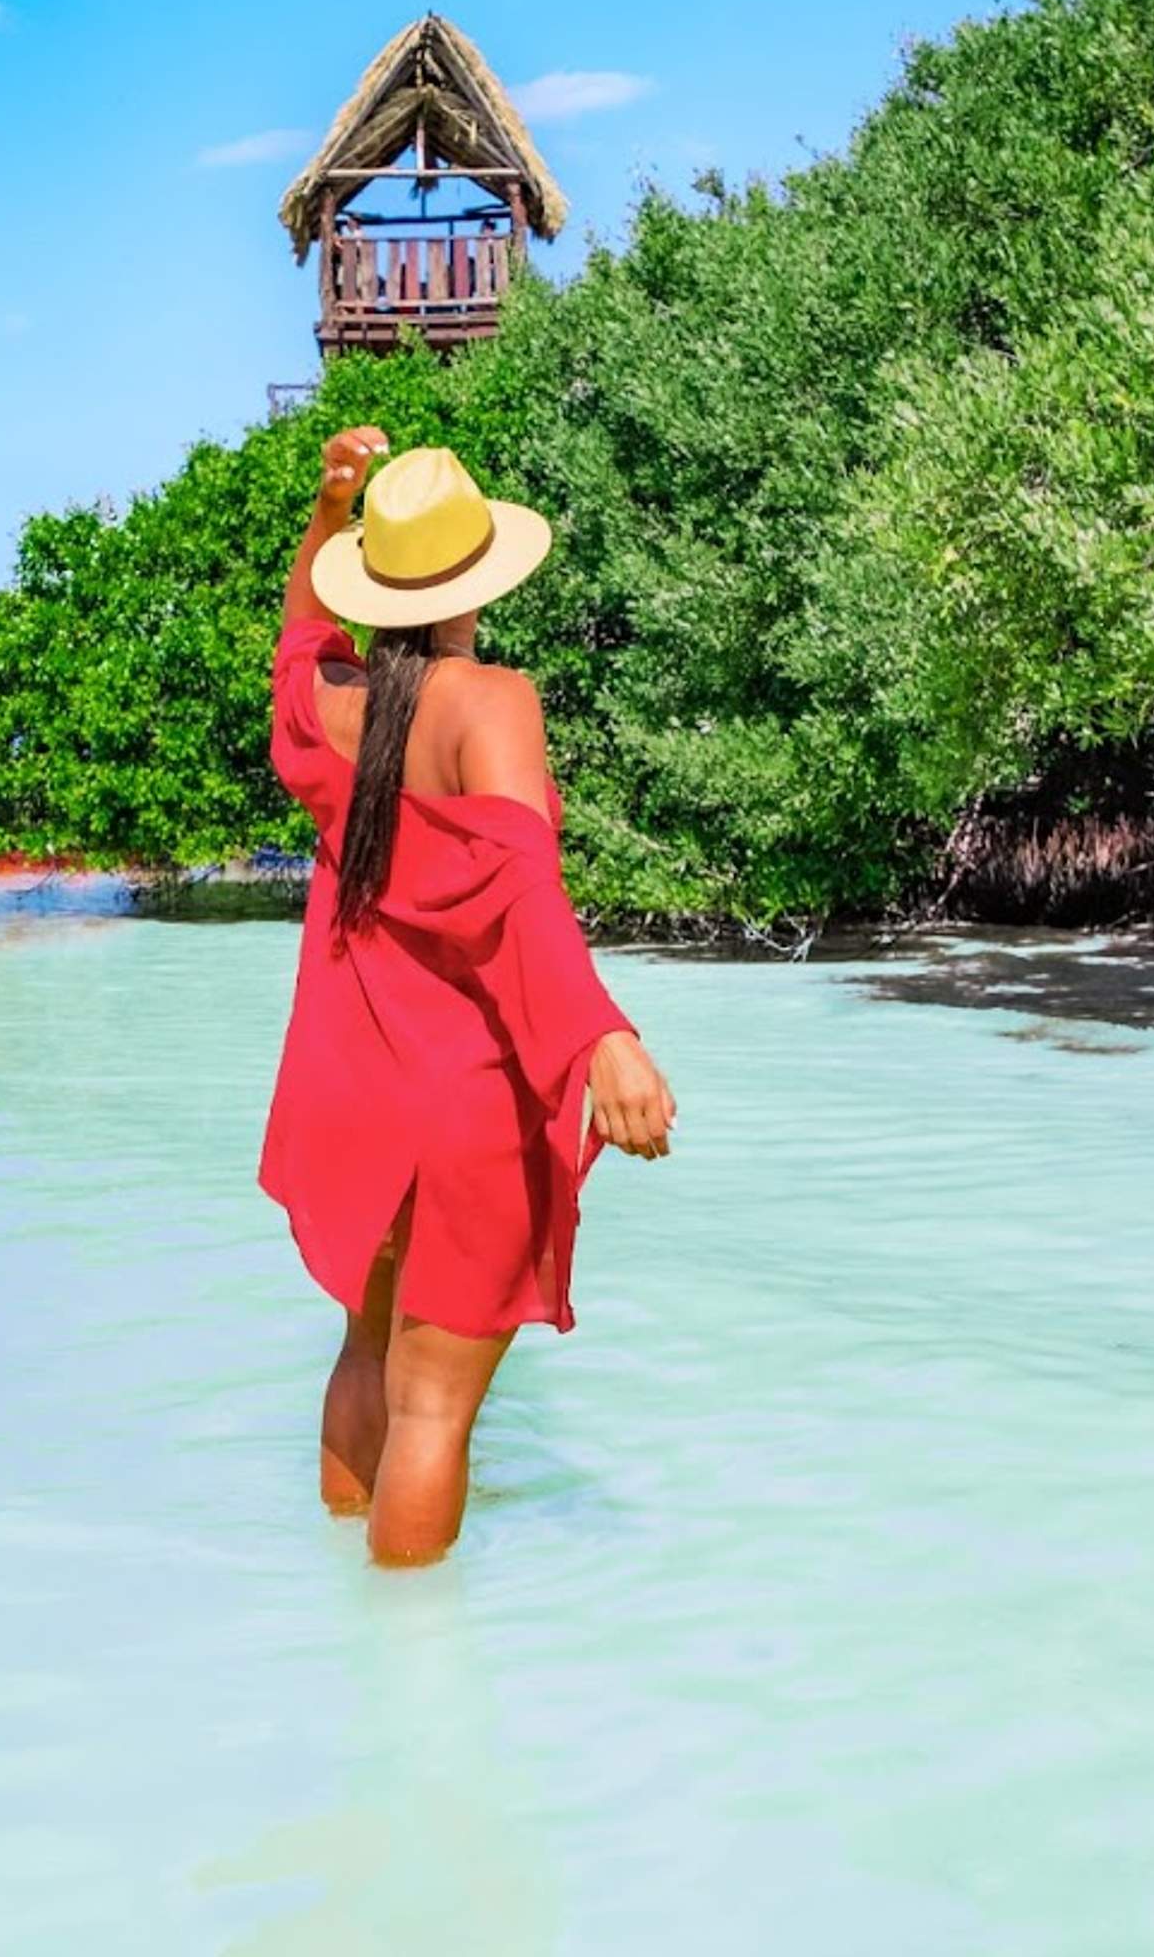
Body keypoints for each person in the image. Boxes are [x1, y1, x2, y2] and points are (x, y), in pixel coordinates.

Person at [263, 426, 680, 1567]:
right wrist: (602, 1035)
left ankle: (336, 1627)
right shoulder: (488, 700)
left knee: (365, 1349)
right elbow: (522, 889)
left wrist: (327, 502)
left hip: (350, 1089)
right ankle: (412, 1679)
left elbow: (301, 638)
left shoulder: (333, 702)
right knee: (434, 1406)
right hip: (459, 1105)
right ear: (479, 578)